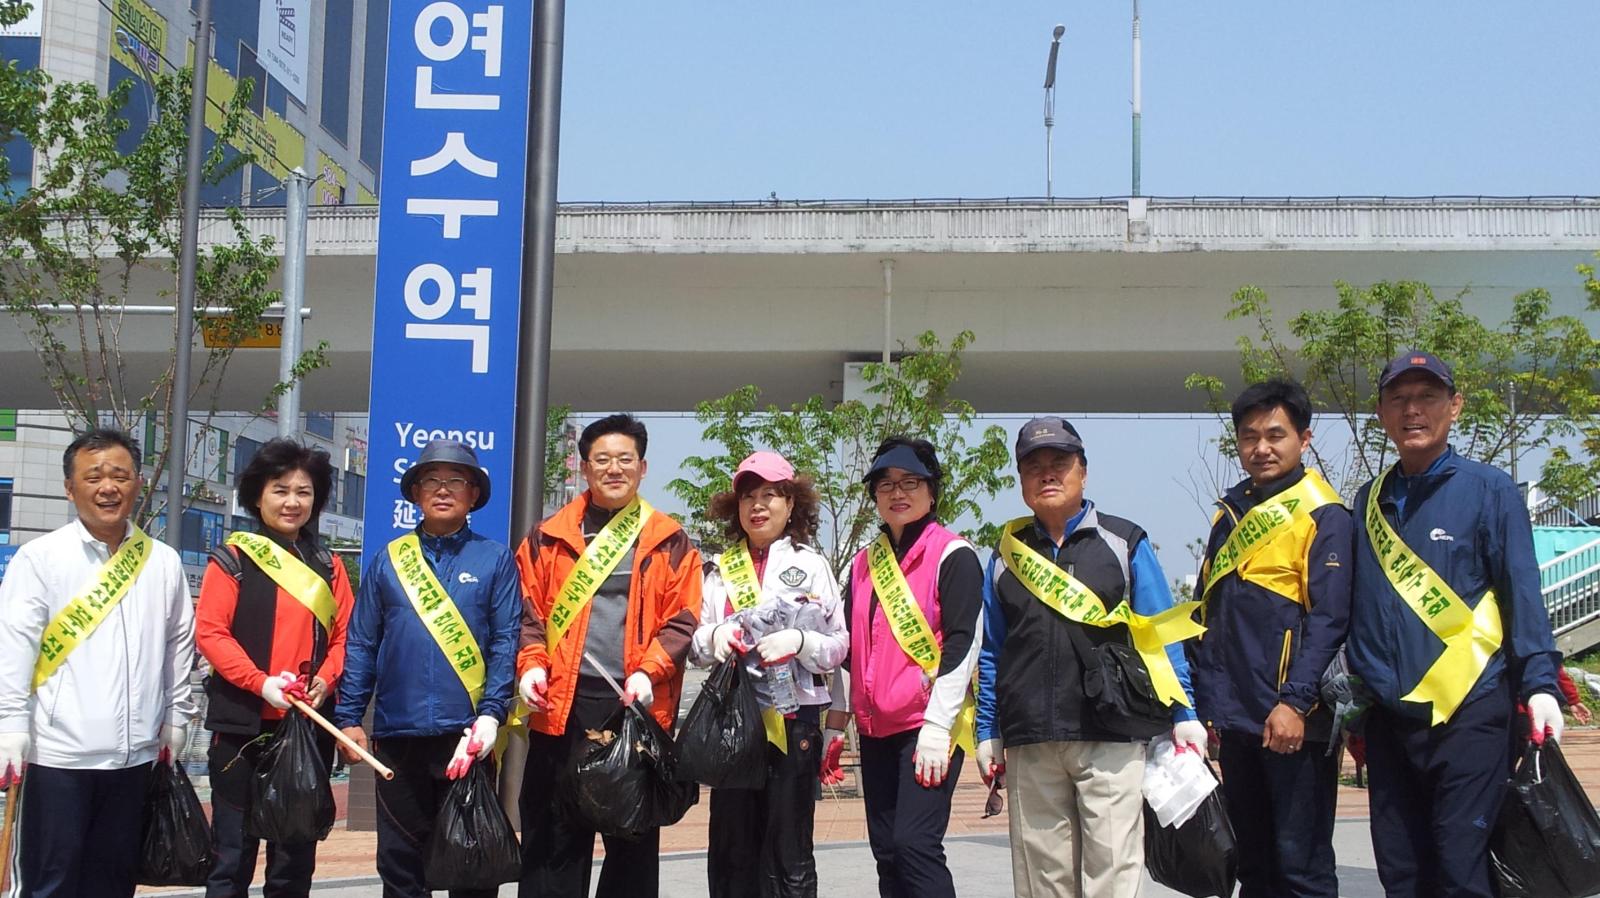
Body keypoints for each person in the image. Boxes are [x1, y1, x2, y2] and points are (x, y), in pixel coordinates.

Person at [1348, 351, 1563, 898]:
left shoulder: (1490, 490)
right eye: (1399, 399)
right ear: (1380, 413)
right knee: (1401, 871)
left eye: (1427, 397)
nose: (1412, 410)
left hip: (1471, 711)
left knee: (1460, 868)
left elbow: (1521, 591)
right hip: (1390, 719)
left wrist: (1539, 683)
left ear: (1455, 407)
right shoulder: (1367, 501)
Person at [974, 417, 1202, 898]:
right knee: (1042, 880)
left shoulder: (1124, 543)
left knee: (1113, 872)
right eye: (1034, 466)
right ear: (1021, 481)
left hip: (1112, 735)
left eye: (1060, 463)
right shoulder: (1004, 556)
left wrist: (1185, 714)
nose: (1048, 474)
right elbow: (993, 650)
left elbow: (1161, 634)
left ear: (1084, 471)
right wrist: (987, 730)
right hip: (1031, 739)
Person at [512, 413, 703, 898]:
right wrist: (531, 664)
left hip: (634, 706)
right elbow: (526, 613)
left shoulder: (670, 539)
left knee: (632, 843)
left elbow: (683, 619)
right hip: (561, 706)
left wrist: (648, 672)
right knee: (552, 837)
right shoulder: (545, 537)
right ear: (584, 468)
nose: (613, 469)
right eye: (602, 460)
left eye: (624, 459)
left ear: (642, 468)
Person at [0, 428, 196, 897]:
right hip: (57, 759)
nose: (108, 487)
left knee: (112, 884)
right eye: (93, 477)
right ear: (70, 488)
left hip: (134, 761)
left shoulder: (163, 562)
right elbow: (14, 644)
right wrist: (9, 723)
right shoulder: (40, 558)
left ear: (138, 483)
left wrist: (177, 715)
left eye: (120, 475)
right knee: (52, 883)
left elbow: (178, 645)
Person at [333, 439, 521, 898]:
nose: (443, 490)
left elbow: (505, 643)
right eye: (431, 481)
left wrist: (492, 713)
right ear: (415, 492)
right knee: (400, 866)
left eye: (456, 480)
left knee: (472, 865)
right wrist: (349, 719)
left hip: (466, 737)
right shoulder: (387, 562)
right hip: (398, 735)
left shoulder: (495, 559)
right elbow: (361, 643)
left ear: (473, 494)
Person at [1190, 380, 1352, 898]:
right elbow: (1207, 614)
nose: (1261, 447)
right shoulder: (1229, 512)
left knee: (1301, 868)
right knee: (1253, 868)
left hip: (1292, 721)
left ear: (1304, 440)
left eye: (1275, 434)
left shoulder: (1324, 513)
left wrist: (1295, 703)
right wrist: (1205, 704)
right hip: (1237, 721)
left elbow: (1330, 619)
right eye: (1249, 436)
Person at [819, 437, 982, 898]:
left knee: (915, 846)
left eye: (911, 482)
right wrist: (836, 727)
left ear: (932, 492)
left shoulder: (954, 555)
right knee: (887, 853)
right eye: (886, 484)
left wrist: (936, 727)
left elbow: (964, 643)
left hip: (926, 728)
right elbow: (849, 652)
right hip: (874, 732)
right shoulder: (862, 564)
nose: (897, 493)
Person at [196, 438, 356, 898]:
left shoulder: (329, 565)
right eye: (280, 490)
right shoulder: (232, 560)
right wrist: (260, 683)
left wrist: (325, 680)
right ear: (257, 496)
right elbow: (211, 633)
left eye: (303, 492)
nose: (292, 502)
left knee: (293, 860)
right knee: (231, 857)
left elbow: (346, 637)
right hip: (241, 728)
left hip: (306, 730)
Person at [691, 450, 848, 898]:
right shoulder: (718, 569)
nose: (757, 506)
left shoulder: (812, 565)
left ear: (791, 504)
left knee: (789, 850)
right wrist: (715, 636)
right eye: (747, 497)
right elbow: (696, 646)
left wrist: (801, 643)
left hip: (793, 722)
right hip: (732, 723)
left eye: (769, 495)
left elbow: (839, 646)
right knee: (730, 848)